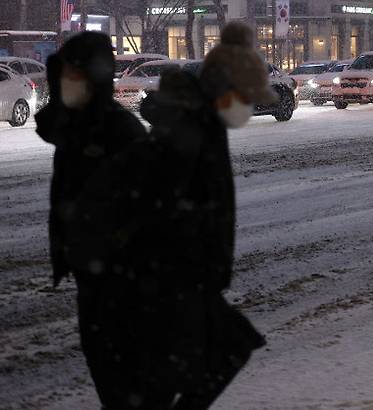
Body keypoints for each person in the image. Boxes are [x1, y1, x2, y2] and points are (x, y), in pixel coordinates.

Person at [68, 22, 274, 409]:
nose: (248, 106)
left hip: (161, 287)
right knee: (196, 366)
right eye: (245, 96)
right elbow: (163, 212)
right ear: (225, 91)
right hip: (155, 291)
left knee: (206, 361)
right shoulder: (188, 136)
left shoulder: (197, 128)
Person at [34, 32, 147, 409]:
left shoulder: (113, 129)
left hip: (119, 269)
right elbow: (49, 122)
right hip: (97, 264)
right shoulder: (82, 124)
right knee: (109, 362)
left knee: (118, 367)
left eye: (72, 74)